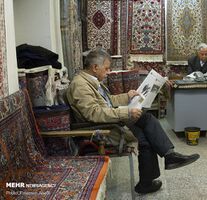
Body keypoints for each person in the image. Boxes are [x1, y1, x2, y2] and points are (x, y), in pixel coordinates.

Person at [66, 48, 200, 194]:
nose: (109, 71)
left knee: (146, 124)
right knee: (146, 131)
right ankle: (162, 163)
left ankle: (165, 161)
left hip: (109, 122)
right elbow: (94, 113)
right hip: (100, 130)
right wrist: (127, 111)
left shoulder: (89, 80)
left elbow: (107, 101)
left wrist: (127, 96)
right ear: (95, 67)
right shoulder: (80, 85)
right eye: (106, 68)